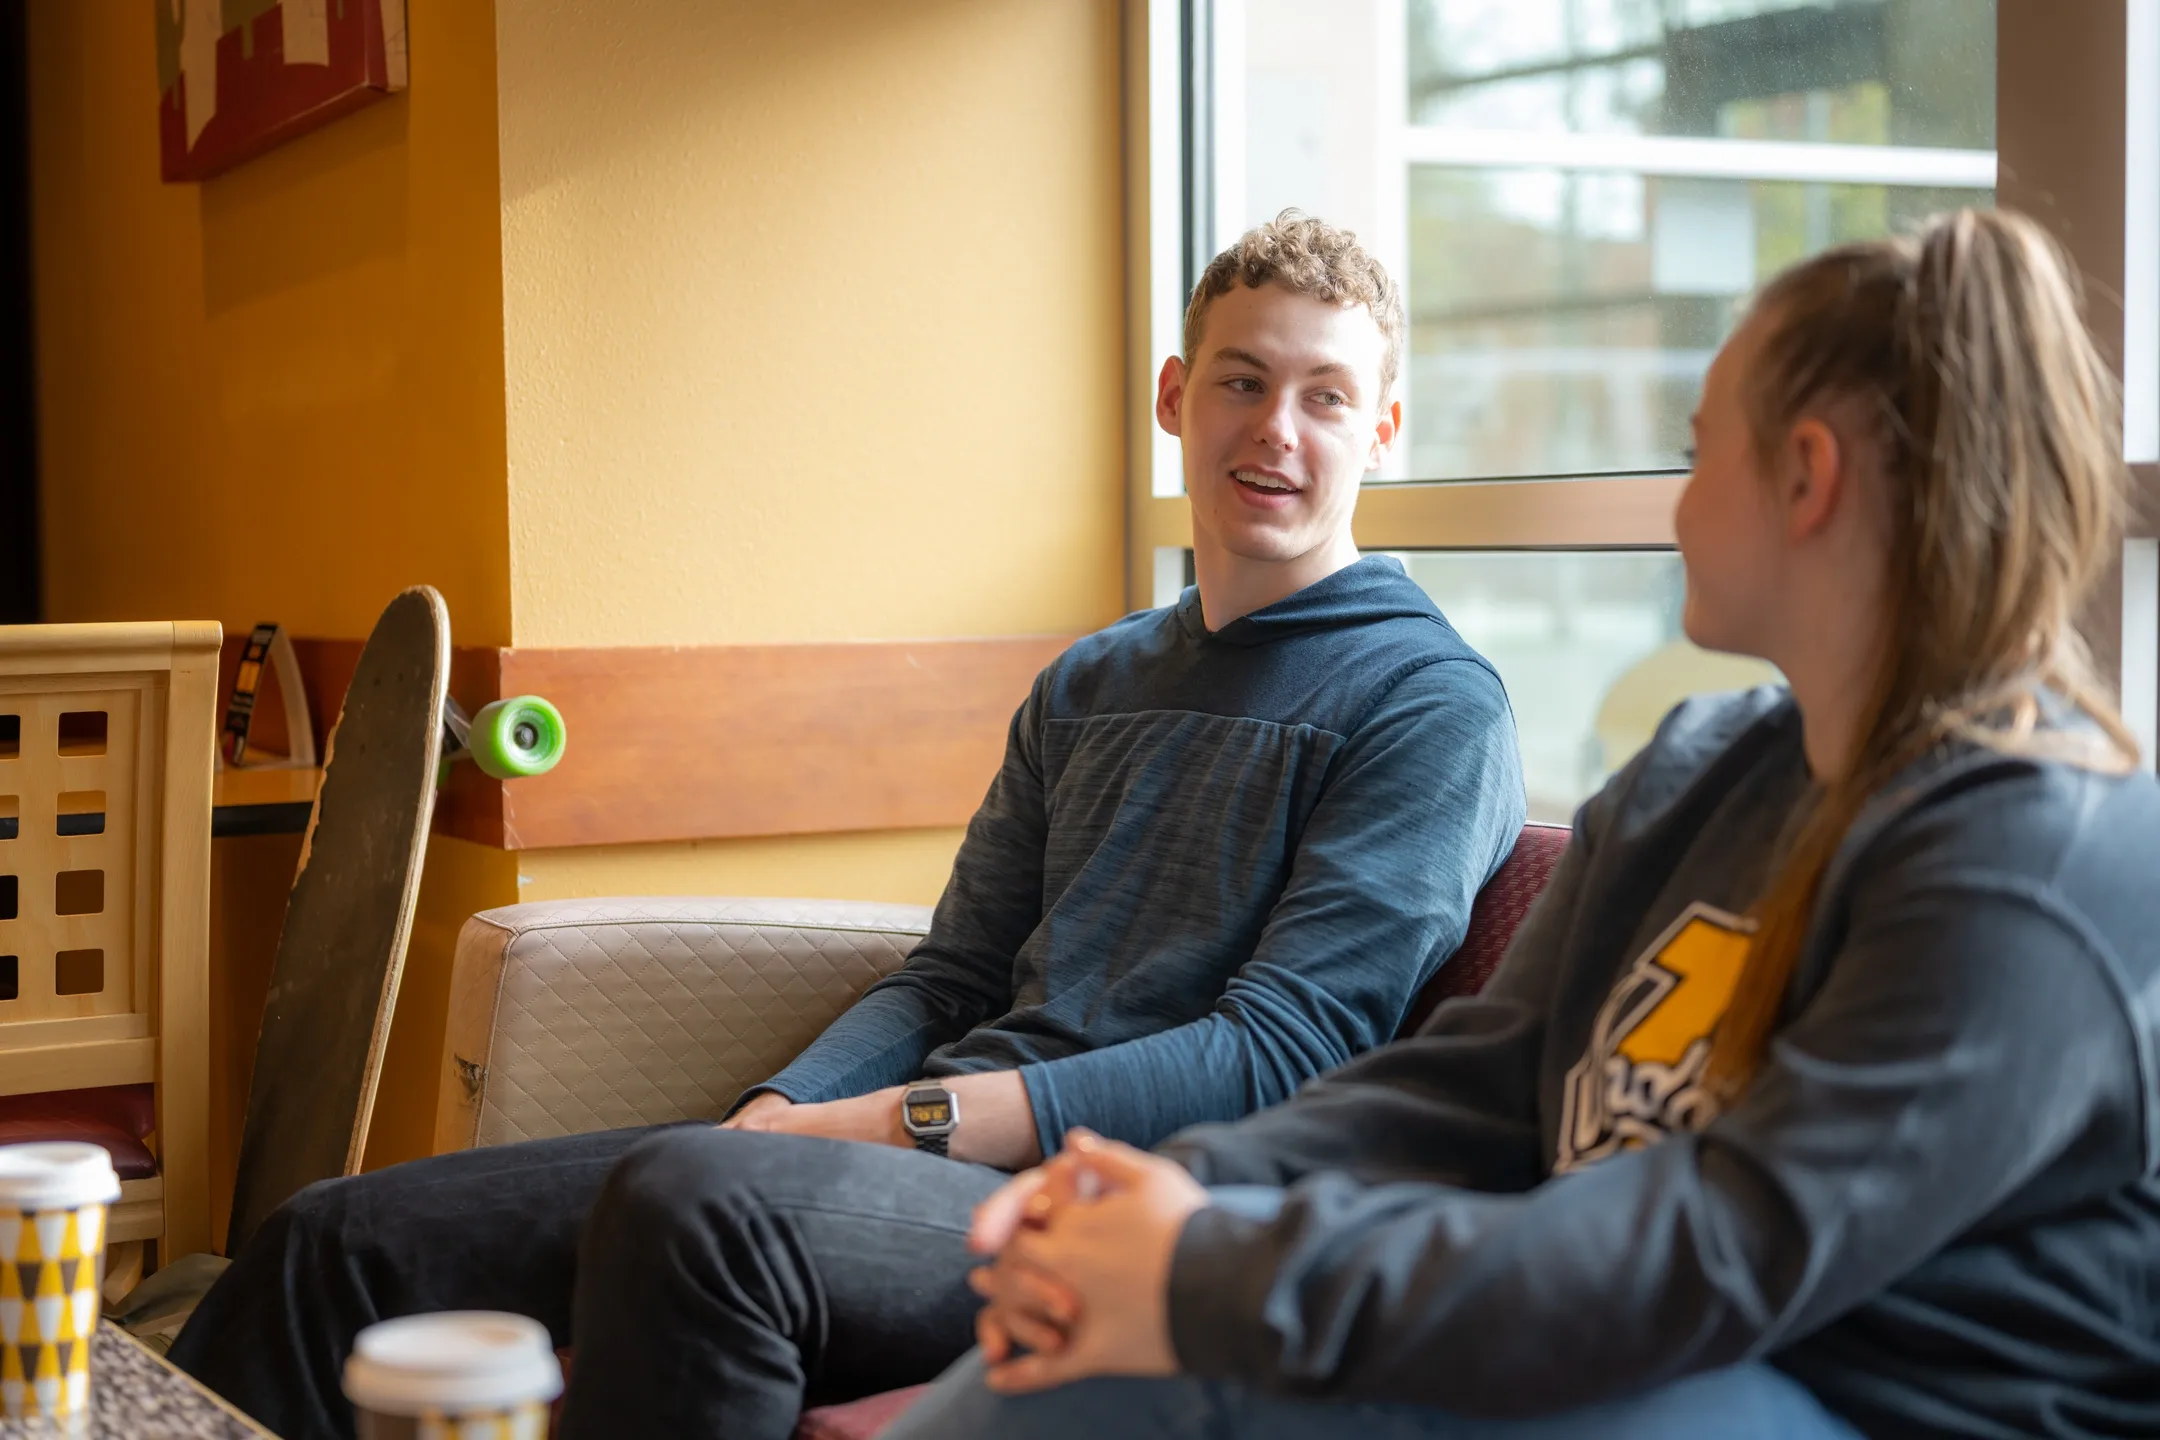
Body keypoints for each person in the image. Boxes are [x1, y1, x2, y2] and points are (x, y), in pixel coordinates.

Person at [169, 211, 1527, 1440]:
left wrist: (891, 1128)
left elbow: (1277, 1056)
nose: (1276, 431)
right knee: (330, 1242)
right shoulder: (1094, 681)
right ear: (1177, 397)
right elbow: (953, 970)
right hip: (917, 1172)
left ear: (1383, 429)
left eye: (1325, 397)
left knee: (698, 1210)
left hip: (1130, 1217)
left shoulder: (1427, 701)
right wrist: (781, 1109)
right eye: (1242, 381)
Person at [897, 207, 2160, 1440]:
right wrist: (1190, 1190)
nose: (1674, 493)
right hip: (1647, 1335)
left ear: (1806, 475)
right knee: (1092, 1344)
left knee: (1186, 1358)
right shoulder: (1699, 773)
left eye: (1696, 444)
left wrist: (1211, 1280)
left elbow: (1714, 1249)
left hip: (1846, 1392)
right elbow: (1481, 1084)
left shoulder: (2039, 854)